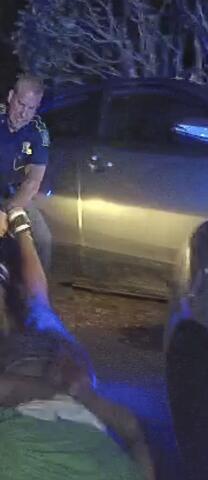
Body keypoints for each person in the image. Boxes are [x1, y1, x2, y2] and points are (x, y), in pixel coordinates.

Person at [0, 207, 154, 479]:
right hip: (72, 387)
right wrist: (82, 394)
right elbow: (135, 436)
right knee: (38, 308)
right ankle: (20, 228)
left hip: (26, 394)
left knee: (23, 313)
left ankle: (18, 231)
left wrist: (52, 389)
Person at [0, 74, 52, 269]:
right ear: (11, 96)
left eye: (31, 108)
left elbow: (33, 181)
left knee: (43, 240)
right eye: (21, 104)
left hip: (15, 196)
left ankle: (37, 295)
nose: (24, 114)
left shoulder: (39, 131)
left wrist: (6, 212)